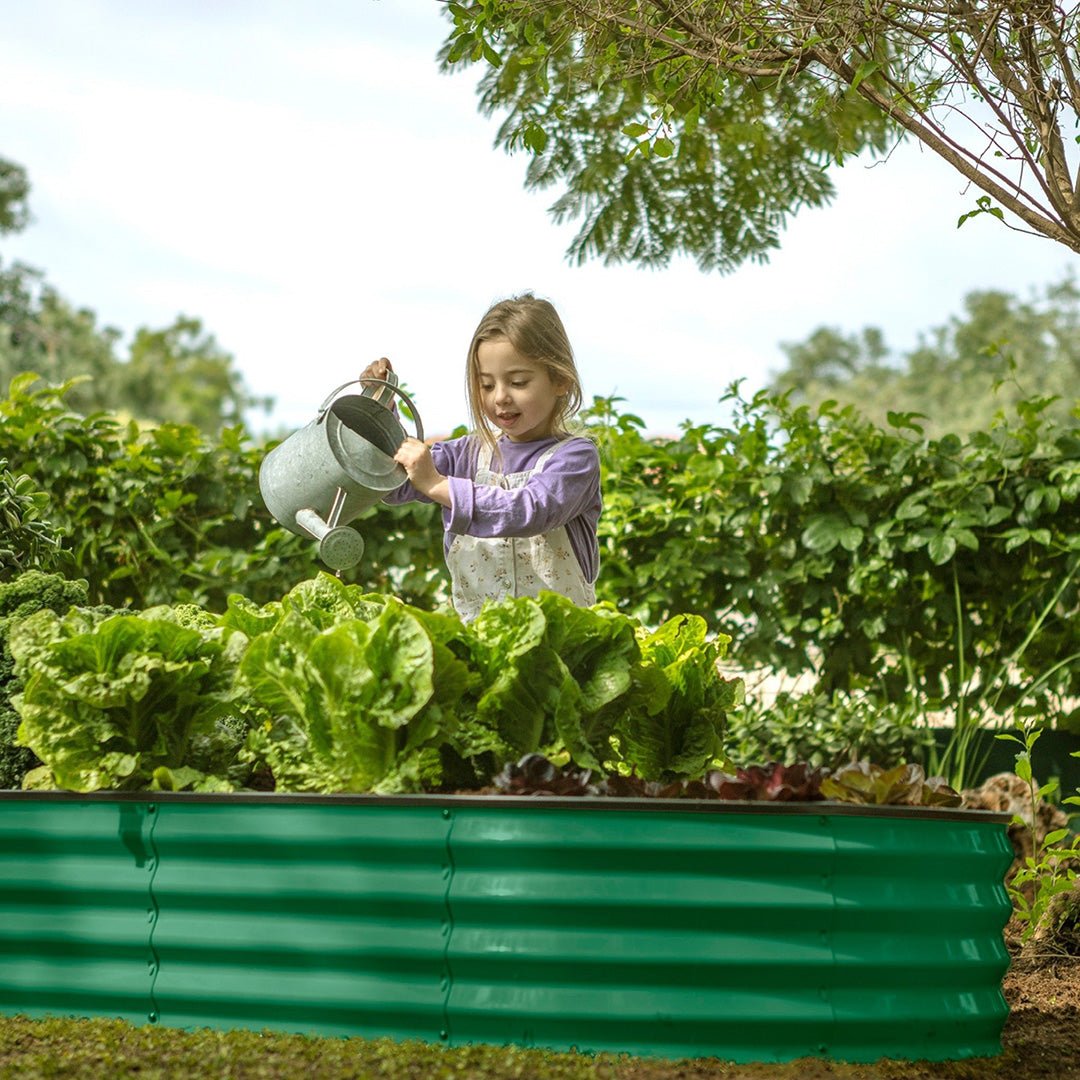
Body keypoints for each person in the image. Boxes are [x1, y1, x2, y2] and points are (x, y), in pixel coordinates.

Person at [360, 293, 601, 621]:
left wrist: (438, 485)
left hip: (562, 641)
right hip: (480, 638)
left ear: (560, 380)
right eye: (486, 385)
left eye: (518, 382)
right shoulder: (466, 454)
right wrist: (379, 407)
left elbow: (530, 510)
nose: (500, 397)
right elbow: (394, 482)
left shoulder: (576, 458)